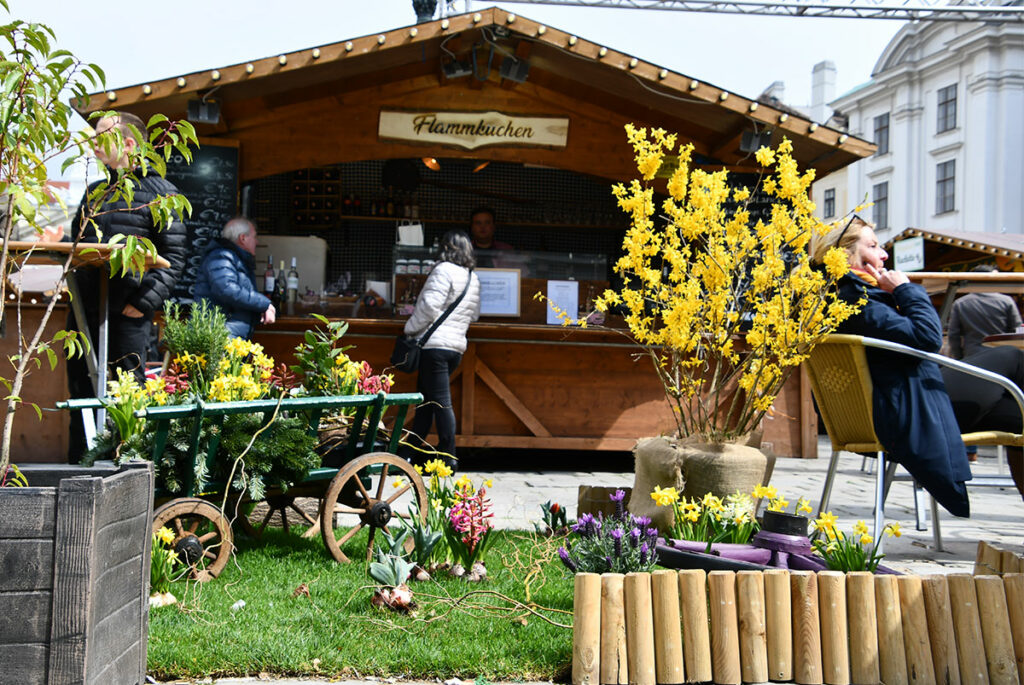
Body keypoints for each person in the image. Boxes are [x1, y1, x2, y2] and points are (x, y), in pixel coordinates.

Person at [811, 215, 972, 517]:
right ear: (846, 254)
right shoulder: (859, 301)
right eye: (873, 246)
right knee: (1015, 364)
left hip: (896, 408)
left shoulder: (833, 298)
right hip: (909, 414)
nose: (884, 254)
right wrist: (905, 289)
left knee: (1014, 412)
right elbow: (928, 337)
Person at [66, 112, 187, 460]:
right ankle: (79, 472)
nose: (93, 144)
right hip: (85, 313)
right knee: (82, 396)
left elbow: (175, 259)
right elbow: (76, 244)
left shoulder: (162, 194)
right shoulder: (95, 193)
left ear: (129, 144)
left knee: (126, 397)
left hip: (127, 314)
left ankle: (124, 476)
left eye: (102, 136)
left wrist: (142, 304)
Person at [399, 231, 481, 470]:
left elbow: (429, 306)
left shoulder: (443, 269)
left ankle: (449, 457)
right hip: (454, 348)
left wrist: (409, 329)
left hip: (434, 347)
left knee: (441, 403)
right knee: (425, 403)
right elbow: (474, 314)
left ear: (446, 248)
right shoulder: (471, 277)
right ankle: (410, 453)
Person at [193, 217, 276, 338]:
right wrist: (264, 304)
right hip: (220, 336)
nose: (256, 242)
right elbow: (227, 289)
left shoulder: (234, 258)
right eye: (254, 237)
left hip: (227, 334)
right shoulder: (222, 256)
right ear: (243, 238)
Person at [947, 264, 1022, 359]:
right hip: (1002, 355)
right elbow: (1018, 330)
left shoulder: (960, 303)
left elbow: (953, 336)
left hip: (972, 356)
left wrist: (959, 358)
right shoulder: (1006, 301)